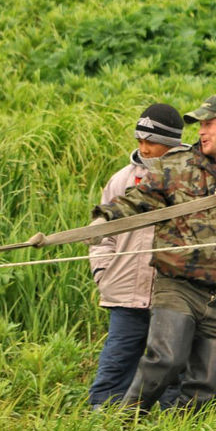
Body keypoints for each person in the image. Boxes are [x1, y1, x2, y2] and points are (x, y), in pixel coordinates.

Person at [90, 94, 216, 414]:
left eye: (209, 124)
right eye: (200, 124)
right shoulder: (179, 166)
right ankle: (119, 427)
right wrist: (101, 220)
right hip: (177, 285)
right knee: (166, 360)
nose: (201, 131)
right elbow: (138, 200)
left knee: (209, 386)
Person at [87, 103, 188, 408]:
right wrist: (102, 273)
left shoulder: (192, 177)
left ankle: (173, 429)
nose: (143, 148)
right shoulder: (121, 180)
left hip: (174, 293)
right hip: (125, 293)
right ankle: (104, 424)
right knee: (116, 364)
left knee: (173, 366)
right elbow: (101, 238)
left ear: (170, 143)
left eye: (151, 142)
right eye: (139, 141)